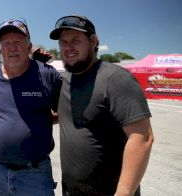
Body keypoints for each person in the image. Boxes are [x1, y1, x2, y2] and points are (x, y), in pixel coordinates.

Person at [49, 15, 154, 195]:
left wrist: (123, 193)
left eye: (75, 40)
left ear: (93, 41)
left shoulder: (115, 78)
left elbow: (142, 138)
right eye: (63, 42)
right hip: (71, 190)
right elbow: (72, 118)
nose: (68, 47)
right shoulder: (66, 81)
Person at [0, 18, 62, 196]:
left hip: (35, 175)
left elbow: (66, 113)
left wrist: (41, 122)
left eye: (18, 41)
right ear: (0, 49)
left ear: (29, 47)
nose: (12, 47)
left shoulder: (47, 75)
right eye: (6, 43)